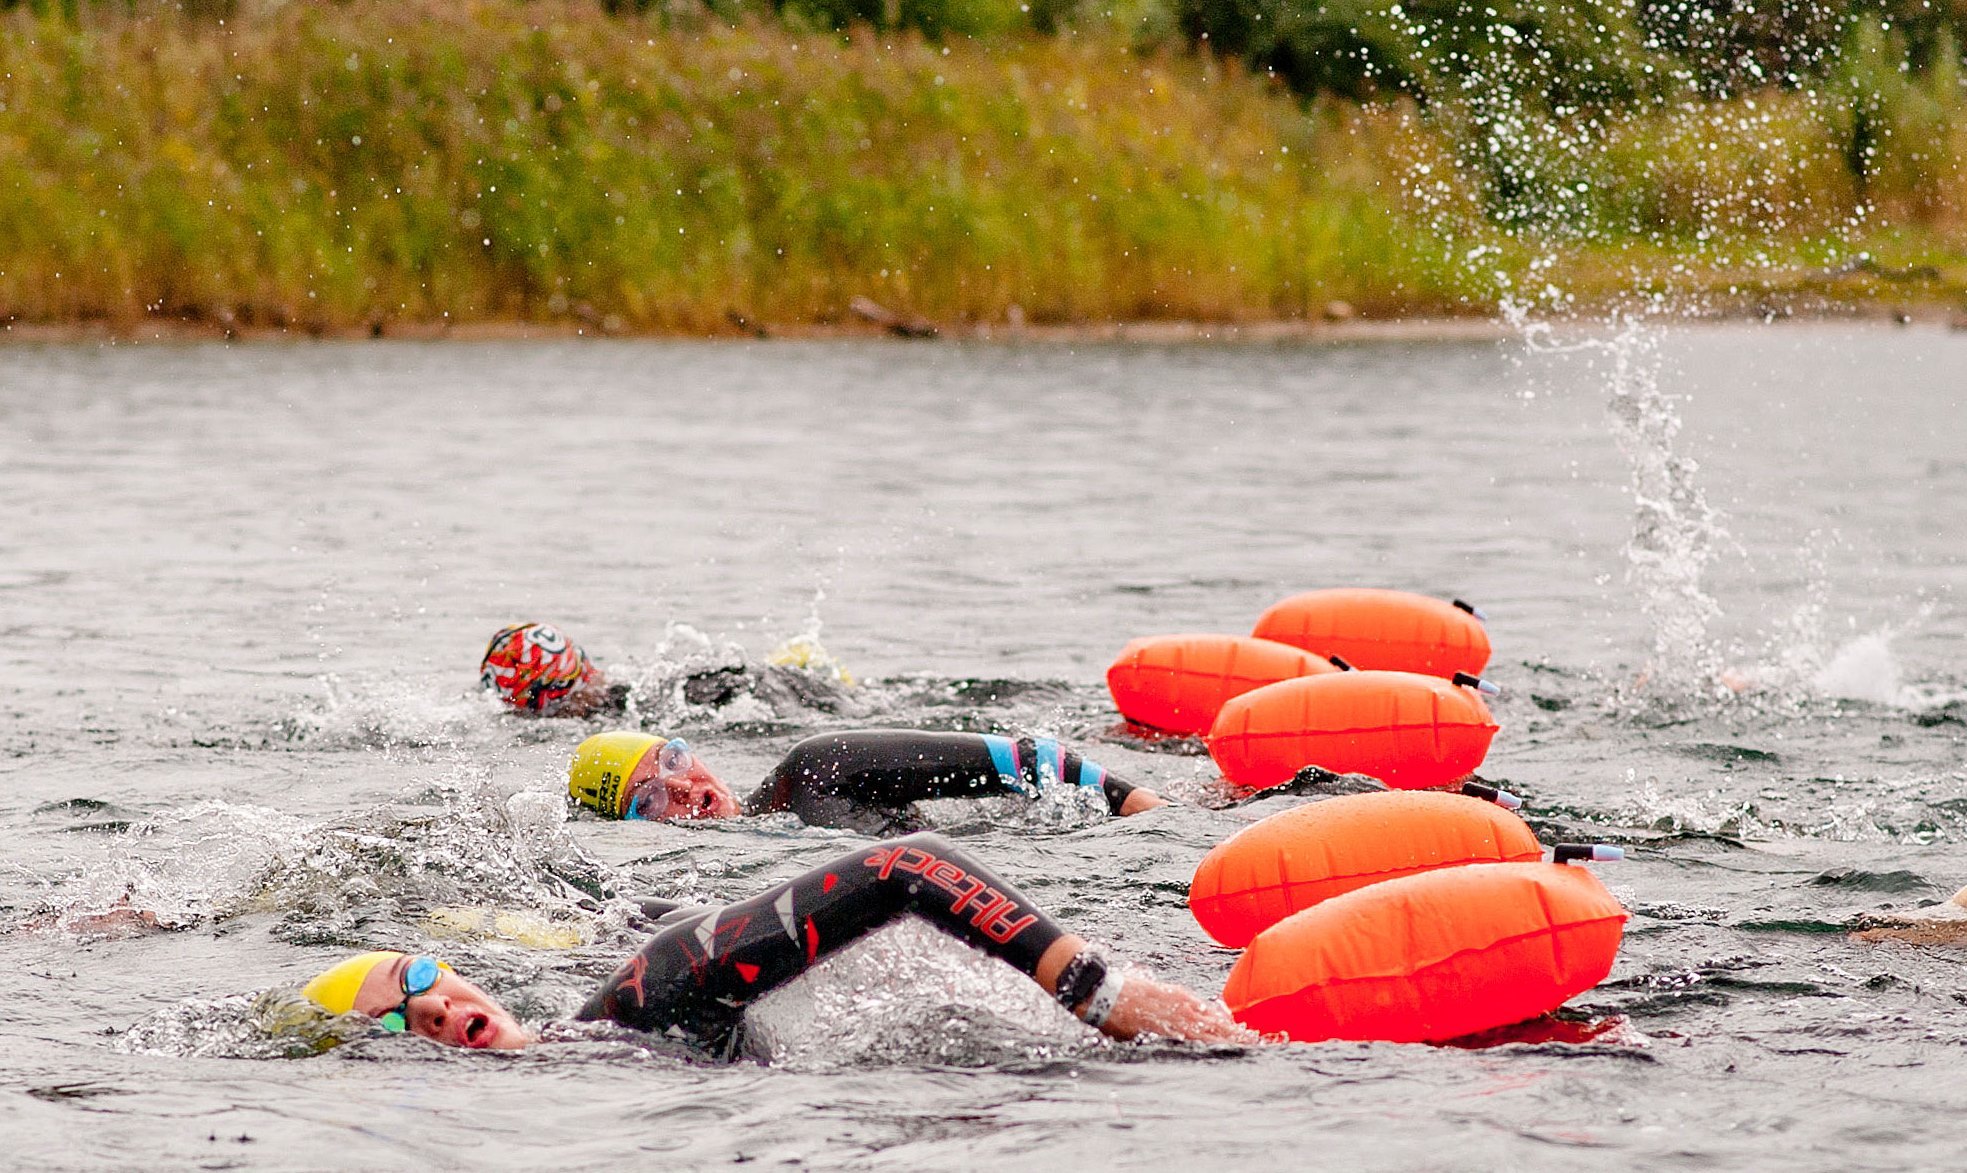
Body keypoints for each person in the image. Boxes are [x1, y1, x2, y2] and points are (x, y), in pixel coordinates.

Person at [299, 832, 1249, 1056]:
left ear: (461, 974)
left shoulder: (639, 1001)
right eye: (398, 1025)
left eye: (419, 976)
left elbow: (900, 867)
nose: (433, 1009)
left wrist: (1092, 988)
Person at [565, 729, 1168, 834]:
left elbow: (1030, 759)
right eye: (648, 802)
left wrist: (1160, 820)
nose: (685, 790)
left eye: (672, 763)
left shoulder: (818, 771)